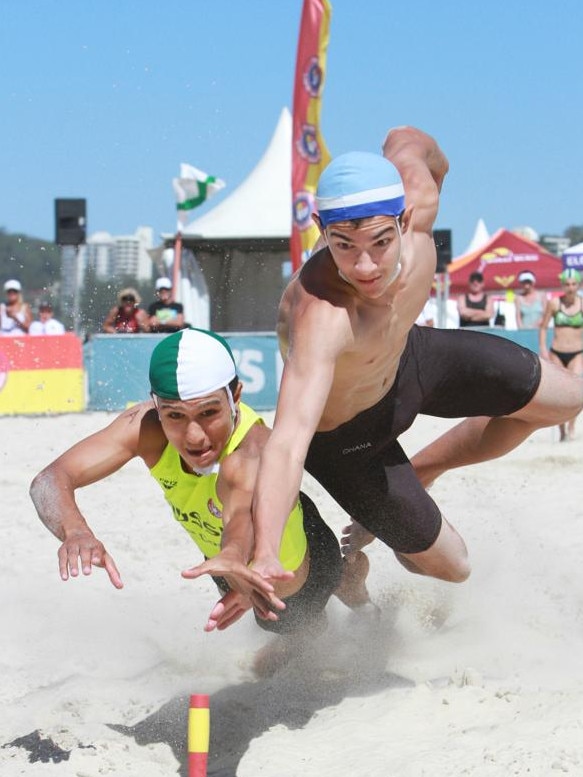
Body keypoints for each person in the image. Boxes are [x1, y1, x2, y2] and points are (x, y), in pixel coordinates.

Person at [217, 126, 582, 619]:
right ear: (322, 230)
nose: (364, 265)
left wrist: (435, 163)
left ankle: (428, 467)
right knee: (455, 567)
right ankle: (364, 556)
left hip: (409, 357)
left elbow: (409, 139)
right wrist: (263, 553)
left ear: (406, 216)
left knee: (569, 398)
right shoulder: (322, 317)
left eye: (380, 242)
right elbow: (288, 442)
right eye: (343, 245)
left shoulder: (419, 196)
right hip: (346, 437)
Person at [30, 328, 370, 642]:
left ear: (235, 395)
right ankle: (341, 582)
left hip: (295, 562)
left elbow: (240, 518)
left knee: (302, 625)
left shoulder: (253, 451)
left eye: (209, 413)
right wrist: (75, 531)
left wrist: (233, 555)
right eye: (174, 415)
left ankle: (348, 577)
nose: (194, 437)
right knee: (280, 629)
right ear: (155, 403)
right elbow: (49, 479)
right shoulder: (145, 427)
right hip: (224, 562)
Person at [539, 268, 583, 441]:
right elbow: (543, 327)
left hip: (578, 352)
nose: (570, 288)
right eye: (567, 284)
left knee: (574, 393)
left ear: (578, 285)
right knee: (558, 394)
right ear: (562, 285)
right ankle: (562, 429)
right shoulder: (555, 303)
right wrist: (542, 347)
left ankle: (571, 426)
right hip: (557, 352)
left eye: (573, 284)